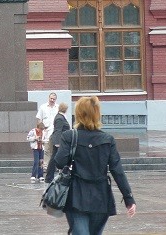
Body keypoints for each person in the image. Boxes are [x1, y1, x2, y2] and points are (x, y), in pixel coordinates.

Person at [55, 96, 136, 234]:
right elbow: (117, 170)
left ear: (79, 114)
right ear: (97, 114)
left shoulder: (69, 136)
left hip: (77, 197)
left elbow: (59, 162)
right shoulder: (107, 139)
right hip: (101, 198)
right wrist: (129, 199)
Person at [45, 102, 70, 183]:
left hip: (60, 141)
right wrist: (57, 143)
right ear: (65, 109)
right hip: (59, 141)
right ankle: (49, 177)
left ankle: (50, 177)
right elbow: (58, 131)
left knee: (54, 158)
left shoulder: (60, 116)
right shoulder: (60, 118)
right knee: (54, 159)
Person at [36, 91, 59, 170]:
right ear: (48, 98)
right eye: (51, 98)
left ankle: (54, 166)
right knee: (46, 150)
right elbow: (39, 119)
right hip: (46, 132)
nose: (52, 100)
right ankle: (45, 167)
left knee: (54, 150)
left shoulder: (58, 108)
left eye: (54, 99)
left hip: (55, 132)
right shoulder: (43, 107)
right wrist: (41, 129)